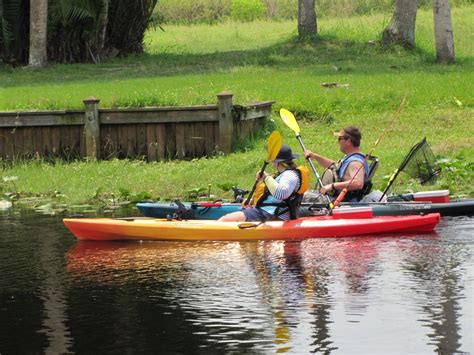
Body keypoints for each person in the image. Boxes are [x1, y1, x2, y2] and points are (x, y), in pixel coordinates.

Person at [219, 144, 309, 222]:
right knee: (228, 218)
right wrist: (253, 201)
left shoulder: (290, 175)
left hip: (272, 215)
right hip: (266, 212)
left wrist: (266, 178)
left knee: (225, 219)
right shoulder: (283, 174)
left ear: (277, 161)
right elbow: (272, 197)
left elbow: (282, 194)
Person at [303, 126, 369, 202]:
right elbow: (335, 167)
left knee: (303, 197)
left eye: (340, 139)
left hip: (340, 202)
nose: (338, 142)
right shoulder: (350, 157)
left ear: (348, 141)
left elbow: (358, 183)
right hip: (335, 199)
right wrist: (315, 156)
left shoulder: (355, 162)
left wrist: (332, 186)